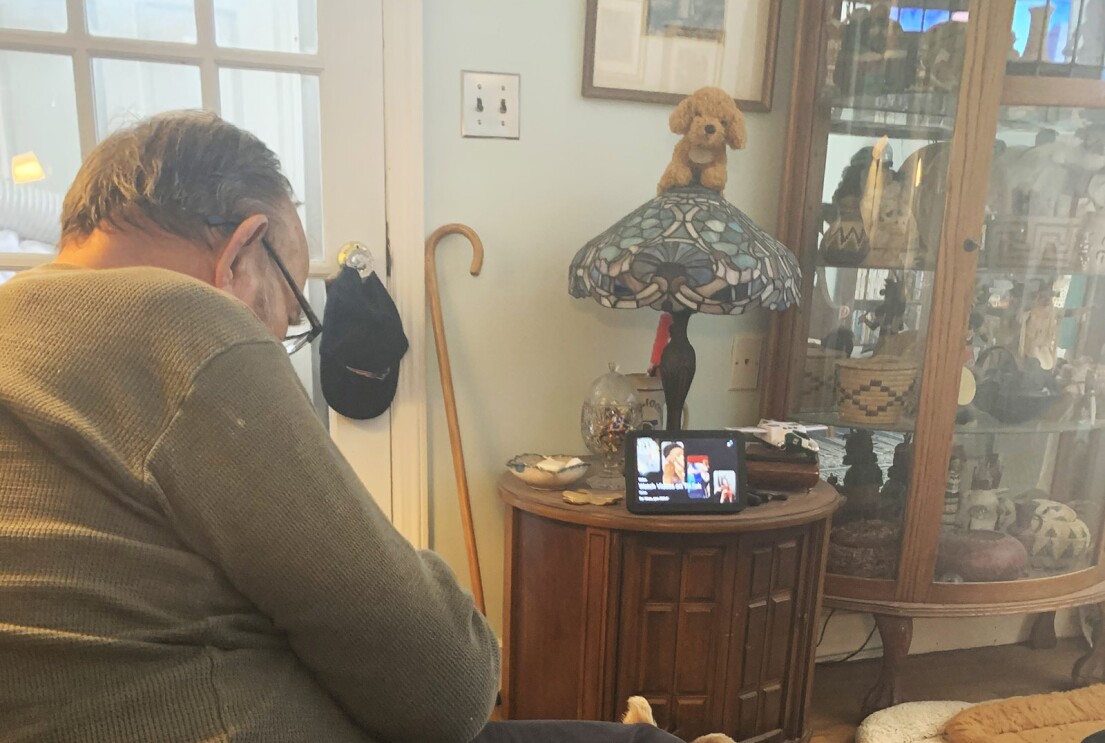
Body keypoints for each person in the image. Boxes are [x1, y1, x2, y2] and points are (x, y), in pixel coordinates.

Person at [0, 111, 681, 743]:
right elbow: (447, 685)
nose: (277, 336)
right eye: (293, 306)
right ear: (241, 256)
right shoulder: (183, 323)